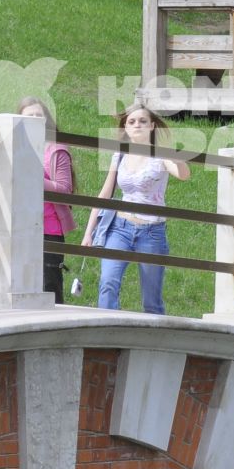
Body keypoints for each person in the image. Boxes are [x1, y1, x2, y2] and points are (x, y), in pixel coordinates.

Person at [81, 104, 189, 313]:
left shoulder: (161, 155)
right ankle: (108, 332)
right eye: (131, 122)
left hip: (152, 231)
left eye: (142, 121)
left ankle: (154, 341)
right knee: (107, 284)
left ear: (152, 126)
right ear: (126, 129)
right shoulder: (120, 155)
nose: (137, 125)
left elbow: (183, 175)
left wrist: (178, 157)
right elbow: (105, 194)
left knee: (151, 300)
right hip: (119, 228)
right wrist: (88, 232)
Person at [19, 96, 76, 302]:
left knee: (49, 287)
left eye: (38, 115)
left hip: (49, 230)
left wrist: (34, 177)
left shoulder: (55, 150)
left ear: (46, 119)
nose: (34, 119)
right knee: (21, 287)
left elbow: (64, 189)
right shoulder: (16, 147)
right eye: (28, 116)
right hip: (20, 228)